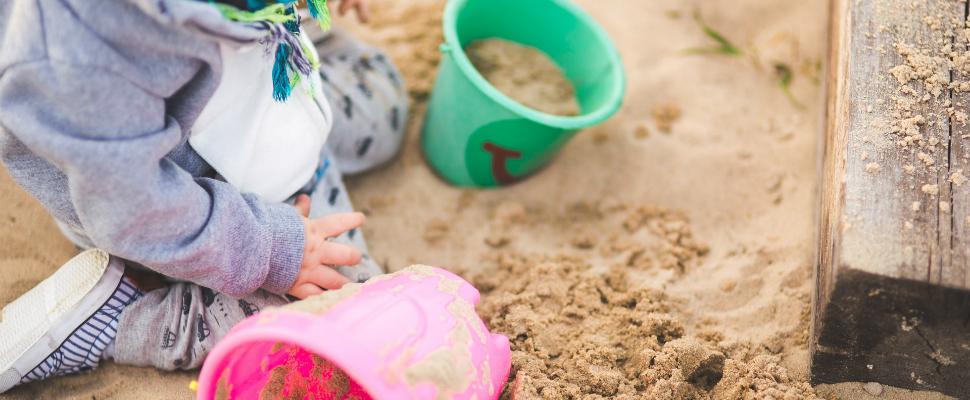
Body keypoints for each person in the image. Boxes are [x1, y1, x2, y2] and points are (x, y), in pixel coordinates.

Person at [0, 0, 408, 392]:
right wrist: (271, 250)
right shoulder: (80, 53)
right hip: (195, 215)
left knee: (384, 108)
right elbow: (137, 212)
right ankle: (121, 320)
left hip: (264, 99)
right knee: (345, 314)